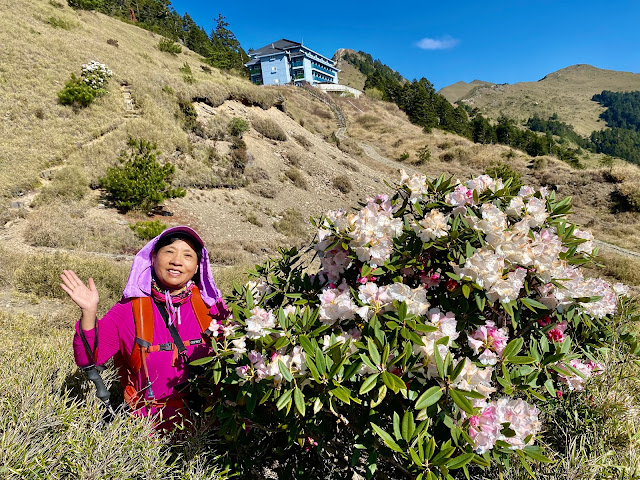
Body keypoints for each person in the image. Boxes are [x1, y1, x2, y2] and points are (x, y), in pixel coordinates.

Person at [62, 226, 229, 430]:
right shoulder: (129, 309)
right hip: (147, 431)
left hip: (208, 426)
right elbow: (90, 359)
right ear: (153, 258)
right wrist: (89, 313)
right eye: (169, 251)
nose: (177, 260)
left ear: (197, 267)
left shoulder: (211, 307)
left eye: (188, 255)